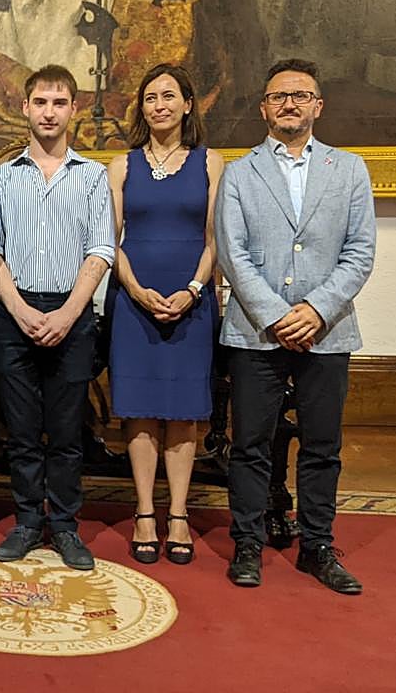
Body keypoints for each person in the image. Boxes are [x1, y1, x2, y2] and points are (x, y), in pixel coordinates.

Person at [217, 59, 376, 594]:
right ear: (264, 108)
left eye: (300, 95)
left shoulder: (348, 169)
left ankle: (317, 546)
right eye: (279, 96)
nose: (289, 103)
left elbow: (359, 252)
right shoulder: (240, 173)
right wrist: (277, 315)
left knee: (322, 446)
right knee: (250, 445)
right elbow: (233, 254)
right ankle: (247, 542)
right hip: (256, 332)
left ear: (318, 106)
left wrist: (315, 310)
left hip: (327, 332)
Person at [0, 65, 113, 570]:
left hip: (72, 311)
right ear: (25, 107)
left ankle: (63, 525)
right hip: (14, 313)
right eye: (40, 102)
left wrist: (66, 313)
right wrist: (19, 309)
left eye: (59, 103)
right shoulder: (1, 177)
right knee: (20, 431)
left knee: (66, 433)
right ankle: (25, 521)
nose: (48, 112)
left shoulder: (93, 176)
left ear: (73, 110)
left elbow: (100, 250)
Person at [106, 63, 224, 566]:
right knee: (139, 409)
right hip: (133, 303)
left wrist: (194, 289)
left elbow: (216, 238)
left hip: (192, 302)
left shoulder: (211, 162)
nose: (160, 105)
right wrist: (135, 290)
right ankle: (143, 512)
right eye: (151, 97)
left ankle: (177, 513)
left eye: (169, 95)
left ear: (188, 104)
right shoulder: (122, 166)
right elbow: (110, 239)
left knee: (183, 410)